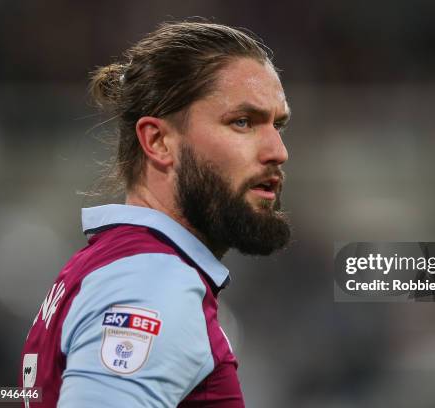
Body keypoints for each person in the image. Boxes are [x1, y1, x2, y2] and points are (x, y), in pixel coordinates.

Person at [19, 21, 291, 408]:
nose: (278, 150)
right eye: (242, 122)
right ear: (158, 141)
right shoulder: (151, 285)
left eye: (278, 125)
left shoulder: (109, 266)